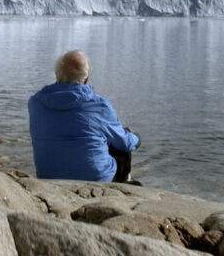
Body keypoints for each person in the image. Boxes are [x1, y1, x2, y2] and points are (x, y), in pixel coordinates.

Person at [28, 50, 141, 183]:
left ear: (56, 74)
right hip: (95, 179)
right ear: (86, 78)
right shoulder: (98, 104)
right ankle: (124, 182)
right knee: (121, 136)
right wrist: (136, 138)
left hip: (47, 176)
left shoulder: (35, 102)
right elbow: (124, 143)